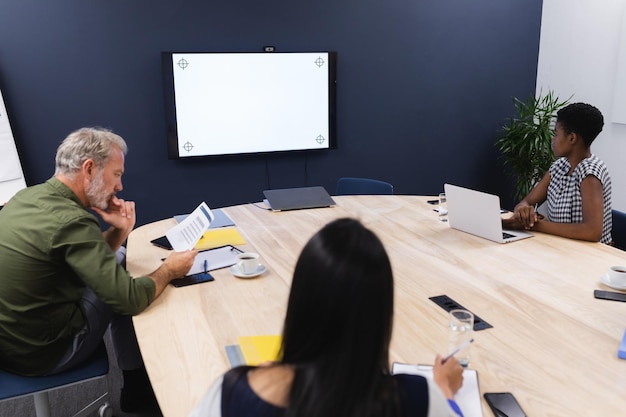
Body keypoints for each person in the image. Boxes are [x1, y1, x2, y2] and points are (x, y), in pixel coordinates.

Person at [0, 127, 197, 412]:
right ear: (89, 168)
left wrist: (120, 231)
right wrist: (168, 270)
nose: (119, 187)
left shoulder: (25, 198)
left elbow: (80, 255)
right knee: (129, 282)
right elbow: (127, 298)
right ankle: (137, 385)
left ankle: (135, 383)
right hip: (44, 355)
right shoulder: (72, 220)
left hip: (8, 348)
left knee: (118, 261)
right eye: (117, 174)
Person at [188, 218, 465, 417]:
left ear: (298, 303)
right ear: (381, 316)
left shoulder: (234, 392)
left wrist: (275, 374)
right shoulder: (418, 398)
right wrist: (445, 392)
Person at [503, 102, 612, 243]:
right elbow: (527, 201)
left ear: (572, 138)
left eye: (556, 134)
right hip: (560, 245)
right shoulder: (559, 167)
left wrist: (536, 225)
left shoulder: (590, 173)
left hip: (589, 255)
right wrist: (523, 211)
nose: (552, 140)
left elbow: (592, 232)